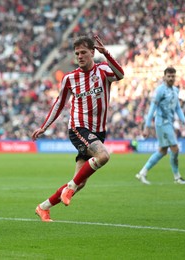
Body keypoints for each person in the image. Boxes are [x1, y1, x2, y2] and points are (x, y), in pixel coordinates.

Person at [32, 35, 124, 222]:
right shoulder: (70, 78)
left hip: (98, 131)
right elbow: (59, 104)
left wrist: (106, 53)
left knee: (80, 181)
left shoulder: (104, 71)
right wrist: (44, 127)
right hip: (78, 127)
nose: (80, 56)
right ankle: (70, 188)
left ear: (92, 52)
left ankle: (43, 207)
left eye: (83, 52)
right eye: (77, 53)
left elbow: (121, 75)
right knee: (103, 156)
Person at [135, 67, 185, 185]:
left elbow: (177, 108)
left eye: (173, 76)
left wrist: (184, 121)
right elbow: (152, 109)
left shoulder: (175, 90)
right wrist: (146, 126)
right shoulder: (160, 90)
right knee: (175, 148)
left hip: (169, 123)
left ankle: (142, 173)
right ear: (164, 77)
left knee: (163, 151)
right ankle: (177, 177)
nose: (171, 78)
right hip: (161, 123)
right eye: (169, 76)